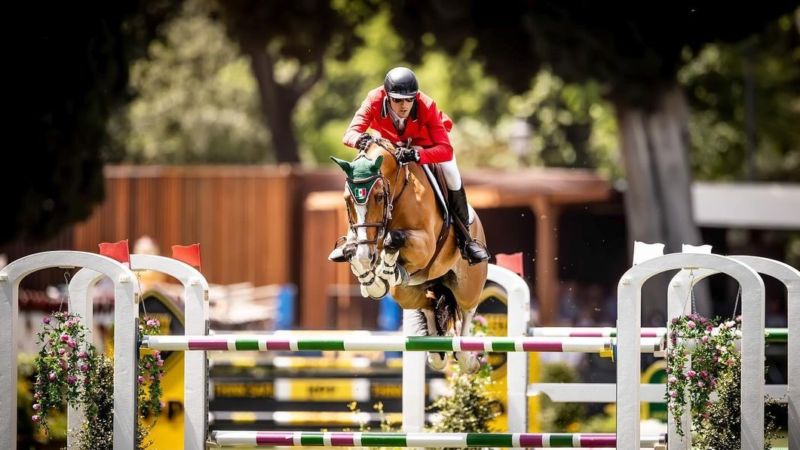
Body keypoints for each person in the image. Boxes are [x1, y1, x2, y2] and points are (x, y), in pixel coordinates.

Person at [330, 66, 490, 265]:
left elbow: (445, 149)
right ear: (387, 96)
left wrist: (417, 154)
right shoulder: (374, 99)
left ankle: (465, 239)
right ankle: (351, 240)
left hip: (425, 145)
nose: (404, 105)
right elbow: (350, 133)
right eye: (397, 100)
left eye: (409, 99)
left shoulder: (426, 105)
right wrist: (360, 140)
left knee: (451, 173)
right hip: (391, 145)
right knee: (363, 174)